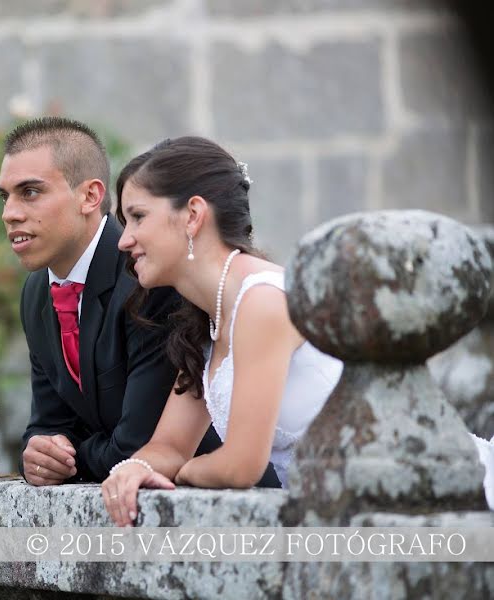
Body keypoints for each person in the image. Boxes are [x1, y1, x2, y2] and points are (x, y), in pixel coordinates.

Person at [100, 136, 342, 526]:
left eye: (138, 217)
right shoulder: (207, 320)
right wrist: (135, 467)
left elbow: (241, 466)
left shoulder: (262, 300)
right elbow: (171, 444)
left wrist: (183, 473)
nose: (125, 240)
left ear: (193, 214)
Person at [0, 118, 253, 485]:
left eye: (30, 192)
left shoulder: (152, 278)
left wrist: (71, 461)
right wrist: (40, 453)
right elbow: (49, 424)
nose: (10, 213)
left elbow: (137, 445)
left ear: (89, 196)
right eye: (4, 196)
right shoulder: (36, 291)